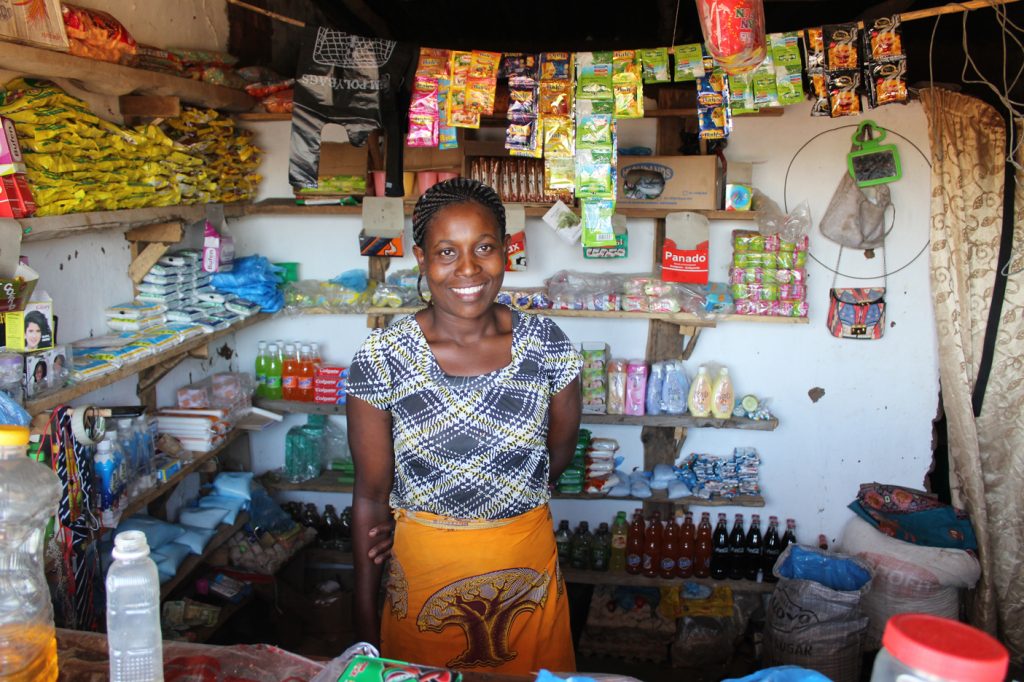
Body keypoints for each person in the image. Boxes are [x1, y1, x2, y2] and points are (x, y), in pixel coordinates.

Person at [346, 178, 582, 674]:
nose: (468, 268)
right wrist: (365, 633)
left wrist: (494, 500)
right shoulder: (384, 356)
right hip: (425, 577)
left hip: (525, 573)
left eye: (485, 248)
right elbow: (370, 497)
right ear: (421, 258)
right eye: (447, 251)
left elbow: (555, 458)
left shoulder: (548, 344)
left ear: (506, 251)